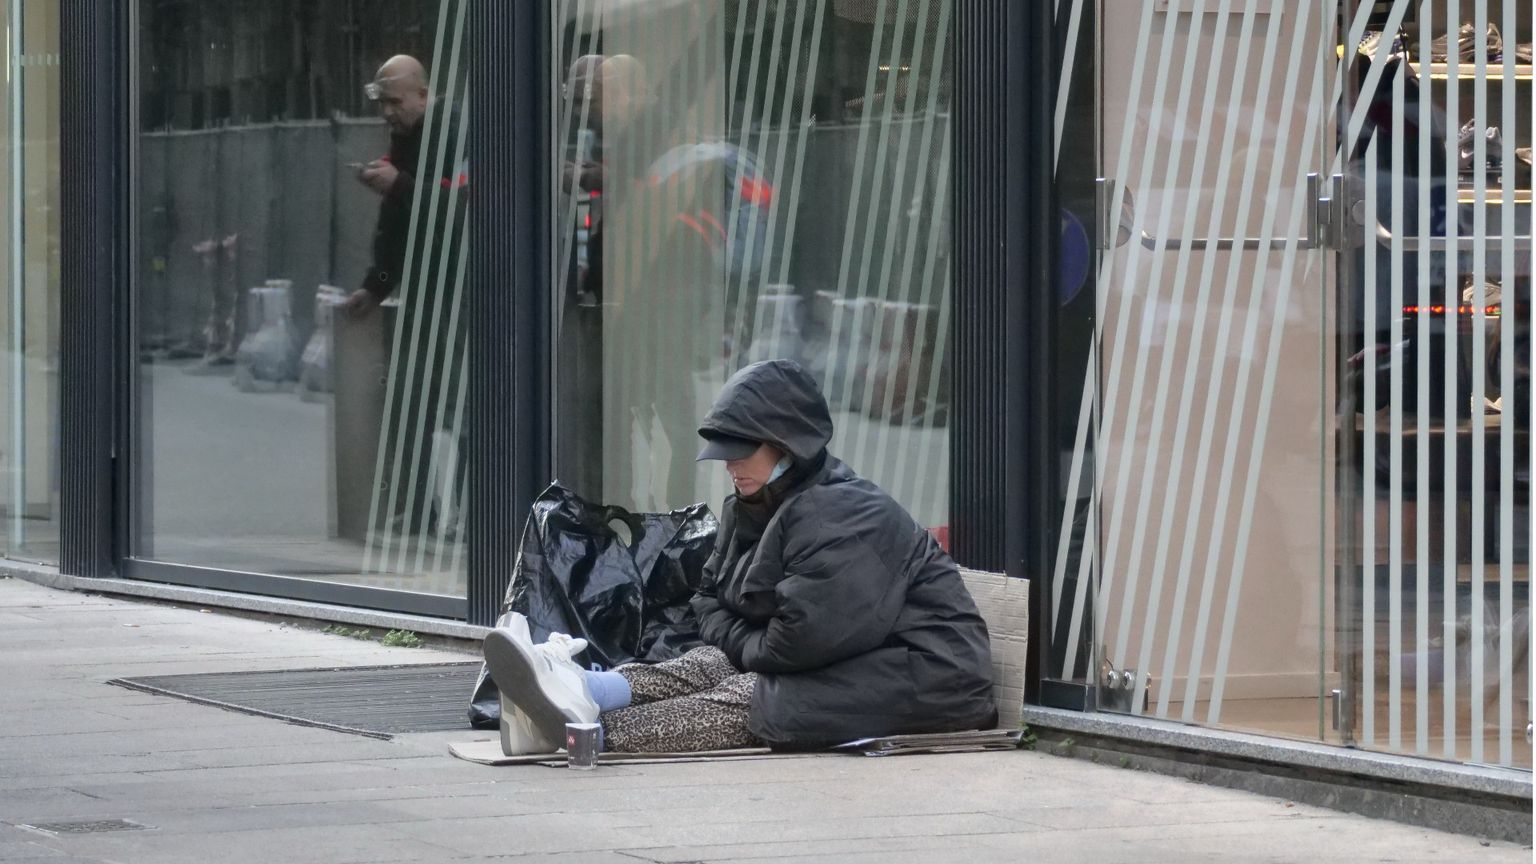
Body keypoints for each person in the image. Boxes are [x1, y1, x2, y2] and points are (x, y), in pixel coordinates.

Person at [483, 359, 997, 753]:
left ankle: (579, 731)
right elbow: (706, 600)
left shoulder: (843, 515)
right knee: (715, 662)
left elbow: (795, 646)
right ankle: (581, 687)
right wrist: (740, 642)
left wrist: (740, 644)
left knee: (756, 693)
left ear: (786, 446)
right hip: (849, 657)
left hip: (929, 677)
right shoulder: (753, 505)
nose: (730, 466)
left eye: (742, 451)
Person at [344, 55, 468, 541]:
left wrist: (400, 186)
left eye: (396, 102)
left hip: (455, 288)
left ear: (423, 94)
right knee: (413, 398)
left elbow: (457, 214)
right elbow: (396, 228)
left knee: (451, 404)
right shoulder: (407, 138)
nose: (389, 114)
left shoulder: (452, 133)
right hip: (425, 288)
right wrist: (375, 285)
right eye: (384, 105)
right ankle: (421, 510)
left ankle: (452, 510)